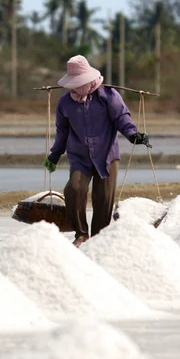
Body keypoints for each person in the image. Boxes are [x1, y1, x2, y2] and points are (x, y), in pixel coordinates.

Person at [43, 55, 151, 248]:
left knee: (103, 199)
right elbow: (62, 133)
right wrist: (54, 155)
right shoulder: (65, 103)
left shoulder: (108, 96)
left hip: (106, 155)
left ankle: (99, 238)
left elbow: (122, 118)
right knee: (74, 189)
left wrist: (133, 134)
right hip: (79, 157)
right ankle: (82, 234)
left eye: (79, 82)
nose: (76, 87)